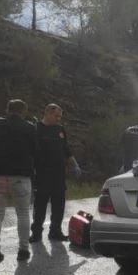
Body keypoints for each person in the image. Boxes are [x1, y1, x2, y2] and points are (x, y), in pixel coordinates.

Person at [0, 99, 38, 263]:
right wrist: (37, 173)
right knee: (23, 213)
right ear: (24, 111)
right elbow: (36, 153)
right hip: (21, 177)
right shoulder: (29, 128)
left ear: (7, 110)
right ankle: (23, 250)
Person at [30, 104, 82, 243]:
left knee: (58, 205)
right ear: (47, 113)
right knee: (40, 206)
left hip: (58, 174)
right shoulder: (36, 128)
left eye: (60, 116)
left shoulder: (60, 129)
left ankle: (55, 231)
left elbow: (66, 149)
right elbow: (31, 151)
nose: (58, 119)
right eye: (56, 116)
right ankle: (36, 233)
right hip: (42, 174)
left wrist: (74, 164)